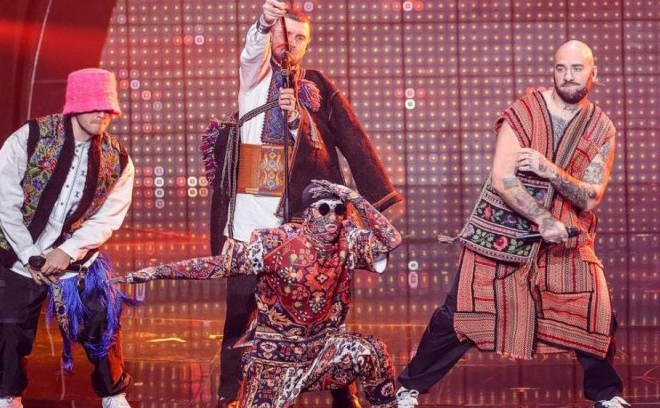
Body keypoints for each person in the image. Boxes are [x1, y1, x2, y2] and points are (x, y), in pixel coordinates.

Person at [394, 40, 630, 408]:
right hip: (502, 235)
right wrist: (543, 219)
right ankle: (408, 386)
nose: (568, 76)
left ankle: (606, 394)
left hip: (567, 237)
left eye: (577, 69)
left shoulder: (601, 128)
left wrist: (548, 169)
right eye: (561, 68)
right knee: (459, 314)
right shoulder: (524, 113)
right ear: (553, 71)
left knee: (596, 310)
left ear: (593, 73)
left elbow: (591, 197)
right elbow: (503, 177)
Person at [200, 1, 403, 406]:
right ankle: (229, 394)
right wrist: (263, 22)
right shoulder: (255, 79)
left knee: (321, 311)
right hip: (253, 222)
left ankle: (343, 391)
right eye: (284, 34)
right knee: (240, 309)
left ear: (307, 45)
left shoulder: (315, 87)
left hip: (304, 222)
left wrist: (298, 121)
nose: (290, 44)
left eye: (299, 38)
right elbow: (251, 52)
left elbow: (350, 135)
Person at [113, 180, 402, 408]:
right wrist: (153, 272)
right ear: (307, 214)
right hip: (275, 359)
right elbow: (214, 266)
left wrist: (354, 197)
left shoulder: (349, 241)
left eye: (339, 211)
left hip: (323, 350)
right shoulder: (276, 244)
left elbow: (392, 239)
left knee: (373, 351)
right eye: (324, 209)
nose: (332, 218)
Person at [0, 68, 136, 408]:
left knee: (102, 321)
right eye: (94, 106)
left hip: (74, 258)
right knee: (10, 328)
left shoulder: (118, 159)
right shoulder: (31, 137)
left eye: (108, 108)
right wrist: (29, 254)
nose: (102, 115)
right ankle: (5, 395)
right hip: (17, 251)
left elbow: (109, 216)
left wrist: (67, 251)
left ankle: (113, 393)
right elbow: (3, 197)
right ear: (75, 105)